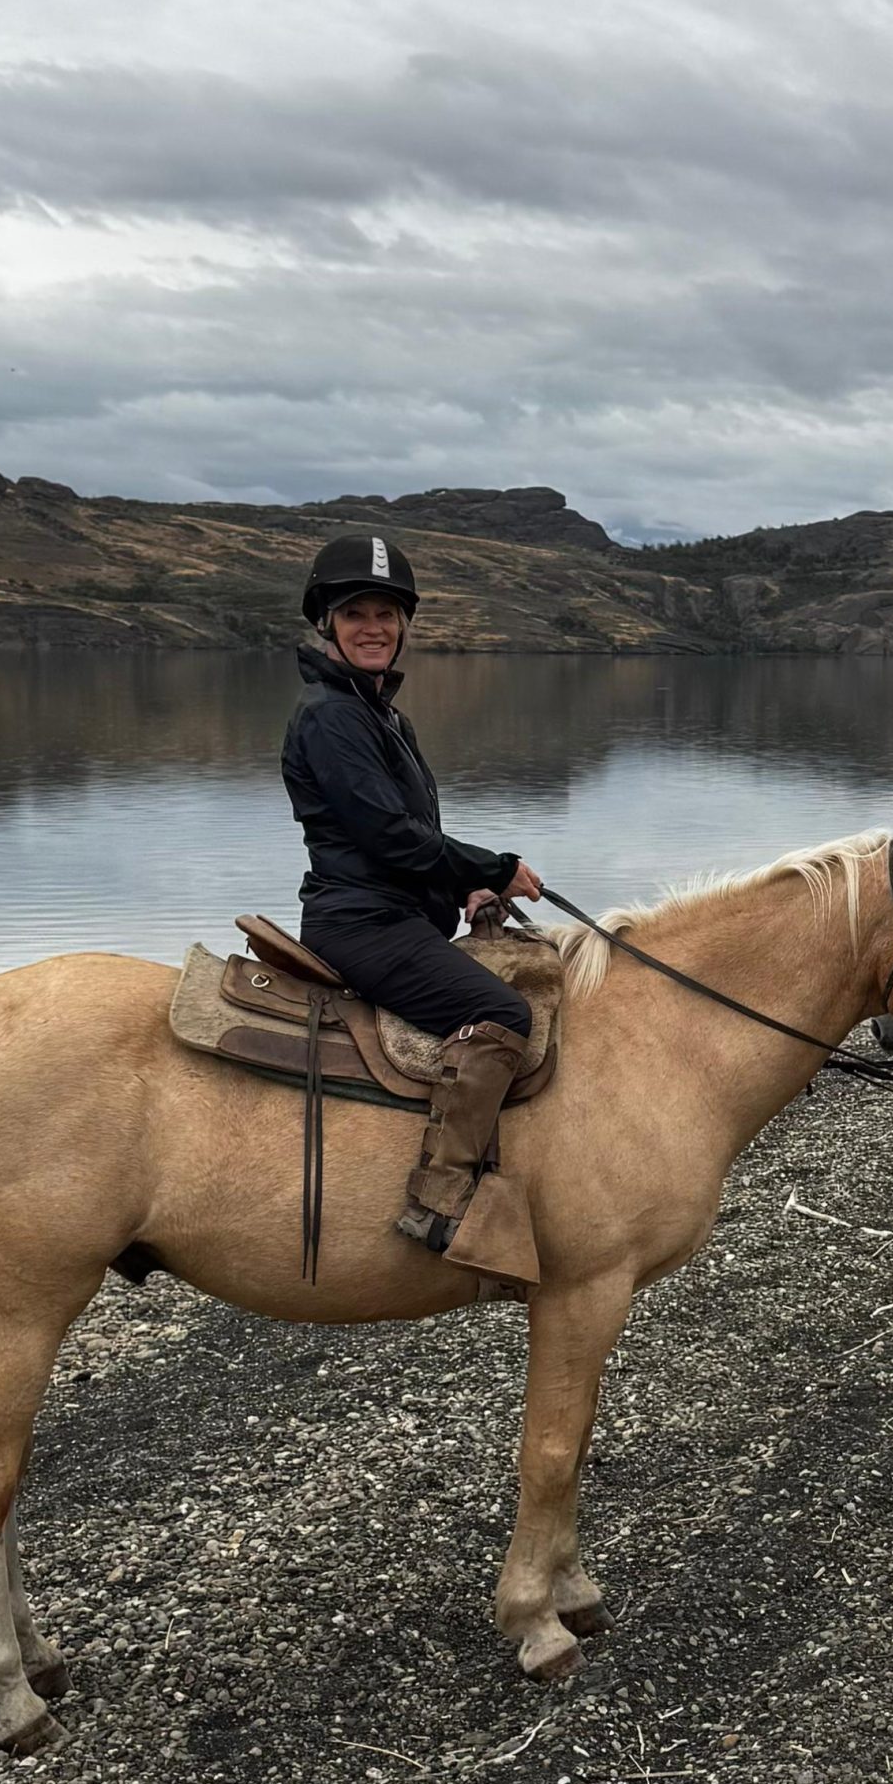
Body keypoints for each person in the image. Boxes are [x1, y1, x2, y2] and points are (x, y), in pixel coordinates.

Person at [282, 533, 546, 1283]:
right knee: (505, 1015)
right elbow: (386, 835)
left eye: (387, 614)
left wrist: (462, 889)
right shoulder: (332, 718)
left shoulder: (382, 718)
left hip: (393, 913)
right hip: (361, 925)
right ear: (326, 624)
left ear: (404, 626)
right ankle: (442, 1197)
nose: (374, 627)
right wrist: (495, 865)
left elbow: (409, 841)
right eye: (356, 613)